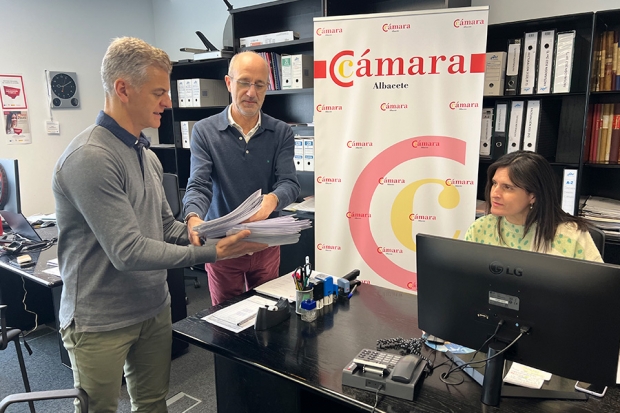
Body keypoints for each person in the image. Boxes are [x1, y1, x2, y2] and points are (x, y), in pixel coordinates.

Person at [52, 37, 267, 413]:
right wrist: (213, 251)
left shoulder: (145, 155)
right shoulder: (91, 157)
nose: (168, 102)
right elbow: (127, 251)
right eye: (158, 93)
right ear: (122, 89)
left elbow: (165, 226)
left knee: (152, 404)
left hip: (153, 308)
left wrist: (218, 228)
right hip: (99, 321)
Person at [183, 51, 300, 306]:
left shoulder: (281, 132)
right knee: (224, 318)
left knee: (268, 312)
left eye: (259, 85)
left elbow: (289, 183)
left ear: (267, 88)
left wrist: (271, 201)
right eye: (244, 82)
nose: (251, 92)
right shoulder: (204, 131)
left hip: (265, 243)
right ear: (228, 83)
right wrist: (193, 216)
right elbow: (199, 184)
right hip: (224, 245)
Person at [465, 150, 602, 262]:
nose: (495, 193)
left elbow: (597, 289)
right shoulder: (479, 229)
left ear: (533, 195)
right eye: (495, 183)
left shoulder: (571, 234)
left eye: (507, 187)